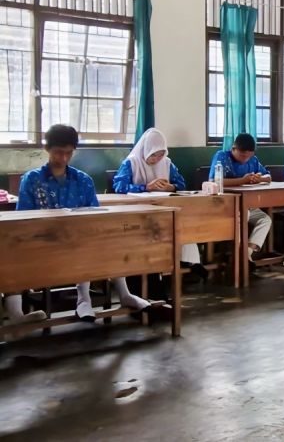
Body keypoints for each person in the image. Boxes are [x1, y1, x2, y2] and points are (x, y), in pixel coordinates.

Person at [9, 124, 150, 323]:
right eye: (59, 152)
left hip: (80, 243)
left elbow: (96, 218)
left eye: (69, 153)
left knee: (109, 241)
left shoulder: (83, 180)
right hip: (43, 244)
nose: (64, 158)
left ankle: (110, 296)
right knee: (10, 250)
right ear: (47, 148)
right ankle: (16, 315)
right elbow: (21, 220)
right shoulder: (31, 180)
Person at [113, 128, 205, 278]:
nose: (157, 159)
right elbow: (119, 187)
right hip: (138, 213)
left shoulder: (167, 163)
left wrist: (172, 187)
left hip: (164, 209)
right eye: (153, 155)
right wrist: (145, 187)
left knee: (181, 225)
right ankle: (158, 270)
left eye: (161, 154)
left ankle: (191, 262)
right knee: (157, 231)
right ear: (145, 150)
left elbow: (181, 183)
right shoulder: (132, 163)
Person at [209, 133, 272, 261]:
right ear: (233, 148)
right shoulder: (222, 157)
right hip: (227, 205)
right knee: (244, 214)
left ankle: (247, 252)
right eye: (243, 155)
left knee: (265, 220)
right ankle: (237, 254)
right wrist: (242, 180)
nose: (246, 159)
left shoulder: (253, 160)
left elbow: (268, 177)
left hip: (248, 204)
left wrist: (259, 179)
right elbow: (214, 181)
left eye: (249, 156)